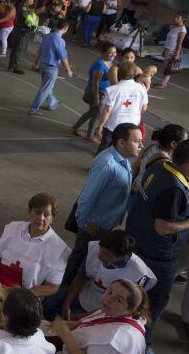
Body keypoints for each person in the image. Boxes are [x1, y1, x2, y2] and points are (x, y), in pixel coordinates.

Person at [126, 140, 189, 349]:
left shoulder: (160, 164)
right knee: (155, 301)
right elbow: (163, 227)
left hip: (137, 239)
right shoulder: (175, 189)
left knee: (132, 289)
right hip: (158, 254)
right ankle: (144, 342)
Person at [62, 123, 142, 285]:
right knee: (78, 261)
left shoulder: (123, 159)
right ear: (121, 142)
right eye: (136, 141)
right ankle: (61, 294)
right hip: (94, 226)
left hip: (107, 222)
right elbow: (87, 196)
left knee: (90, 260)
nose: (141, 145)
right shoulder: (107, 164)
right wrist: (83, 223)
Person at [0, 193, 70, 296]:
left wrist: (22, 293)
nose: (41, 218)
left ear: (52, 218)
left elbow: (53, 287)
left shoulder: (59, 250)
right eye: (37, 212)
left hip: (22, 297)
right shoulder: (13, 227)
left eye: (46, 214)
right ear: (30, 212)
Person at [44, 230, 155, 320]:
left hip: (108, 308)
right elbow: (80, 277)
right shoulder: (96, 248)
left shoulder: (138, 273)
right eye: (101, 250)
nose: (100, 255)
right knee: (48, 305)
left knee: (77, 328)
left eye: (106, 254)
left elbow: (123, 309)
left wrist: (81, 318)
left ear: (123, 256)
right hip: (87, 292)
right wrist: (66, 305)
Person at [51, 279, 149, 354]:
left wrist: (64, 334)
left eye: (118, 300)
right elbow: (88, 323)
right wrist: (64, 325)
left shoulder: (111, 341)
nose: (108, 299)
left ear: (130, 309)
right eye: (110, 292)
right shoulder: (115, 311)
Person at [95, 62, 148, 152]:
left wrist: (100, 125)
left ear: (119, 73)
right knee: (123, 150)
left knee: (104, 148)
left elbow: (107, 110)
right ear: (135, 73)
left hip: (113, 125)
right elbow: (144, 108)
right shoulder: (141, 88)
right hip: (132, 125)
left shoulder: (112, 90)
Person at [70, 43, 117, 143]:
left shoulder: (110, 62)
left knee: (92, 113)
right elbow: (95, 83)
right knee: (96, 114)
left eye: (115, 52)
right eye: (110, 53)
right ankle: (89, 135)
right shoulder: (100, 65)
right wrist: (96, 98)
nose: (113, 55)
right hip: (95, 92)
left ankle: (75, 127)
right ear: (103, 53)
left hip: (103, 92)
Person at [28, 19, 73, 115]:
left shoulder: (46, 36)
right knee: (45, 89)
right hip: (51, 68)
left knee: (48, 87)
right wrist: (68, 70)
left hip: (43, 65)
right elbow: (63, 57)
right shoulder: (60, 41)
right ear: (65, 28)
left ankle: (52, 103)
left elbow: (39, 51)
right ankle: (34, 109)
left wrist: (35, 63)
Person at [7, 0, 39, 75]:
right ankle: (15, 67)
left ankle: (11, 66)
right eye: (32, 0)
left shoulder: (24, 6)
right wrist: (32, 15)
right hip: (22, 31)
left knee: (15, 49)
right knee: (19, 49)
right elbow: (26, 18)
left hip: (19, 30)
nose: (32, 2)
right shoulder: (23, 6)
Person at [154, 11, 186, 89]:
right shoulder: (175, 27)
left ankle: (162, 84)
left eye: (178, 17)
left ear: (183, 19)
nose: (175, 18)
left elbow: (179, 43)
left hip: (173, 51)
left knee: (168, 68)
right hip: (168, 49)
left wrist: (177, 53)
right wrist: (165, 49)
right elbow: (169, 40)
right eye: (175, 17)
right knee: (165, 67)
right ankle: (162, 83)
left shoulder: (182, 29)